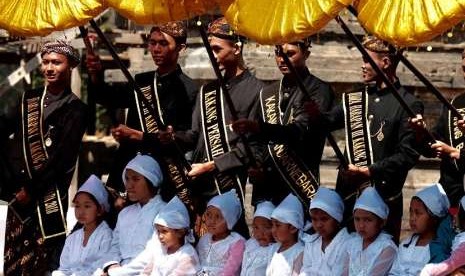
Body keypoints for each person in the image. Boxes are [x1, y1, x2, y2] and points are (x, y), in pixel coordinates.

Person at [321, 36, 424, 242]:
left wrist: (370, 171)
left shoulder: (408, 104)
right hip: (349, 200)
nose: (363, 65)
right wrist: (315, 116)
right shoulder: (355, 98)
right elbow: (327, 122)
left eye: (367, 60)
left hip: (383, 201)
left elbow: (407, 155)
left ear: (385, 63)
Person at [168, 17, 263, 237]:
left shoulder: (258, 91)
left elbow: (253, 150)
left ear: (237, 48)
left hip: (229, 186)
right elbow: (194, 136)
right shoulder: (207, 91)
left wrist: (211, 165)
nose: (212, 56)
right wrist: (174, 137)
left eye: (217, 49)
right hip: (200, 187)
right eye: (210, 49)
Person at [0, 40, 88, 275]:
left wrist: (31, 189)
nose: (49, 68)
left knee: (43, 261)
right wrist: (11, 184)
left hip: (44, 197)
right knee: (14, 262)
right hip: (16, 193)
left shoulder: (76, 109)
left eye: (56, 63)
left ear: (70, 66)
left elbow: (62, 159)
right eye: (46, 62)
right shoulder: (28, 98)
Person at [86, 21, 198, 201]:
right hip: (128, 167)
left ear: (181, 47)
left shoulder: (189, 89)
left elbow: (188, 137)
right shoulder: (141, 82)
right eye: (152, 43)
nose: (156, 49)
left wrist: (138, 136)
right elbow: (105, 96)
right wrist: (95, 73)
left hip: (163, 173)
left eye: (163, 43)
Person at [232, 39, 335, 206]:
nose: (282, 59)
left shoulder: (319, 89)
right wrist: (256, 162)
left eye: (290, 54)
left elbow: (301, 130)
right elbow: (256, 140)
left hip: (298, 183)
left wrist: (260, 128)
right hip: (266, 186)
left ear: (306, 54)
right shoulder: (267, 92)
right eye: (278, 53)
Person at [103, 155, 166, 274]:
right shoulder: (125, 214)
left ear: (151, 179)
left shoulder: (164, 212)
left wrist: (119, 272)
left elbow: (154, 253)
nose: (129, 185)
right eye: (127, 179)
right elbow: (114, 245)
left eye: (136, 179)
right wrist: (112, 265)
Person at [52, 175, 112, 276]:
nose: (81, 211)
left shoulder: (106, 236)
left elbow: (101, 268)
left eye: (87, 206)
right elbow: (64, 269)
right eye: (77, 206)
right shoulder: (72, 239)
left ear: (100, 209)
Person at [389, 183, 450, 275]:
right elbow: (394, 272)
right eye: (411, 212)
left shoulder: (438, 249)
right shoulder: (406, 244)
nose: (412, 218)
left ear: (434, 218)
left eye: (418, 213)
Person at [343, 187, 397, 275]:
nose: (361, 225)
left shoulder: (387, 248)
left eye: (367, 220)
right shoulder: (351, 243)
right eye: (357, 219)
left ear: (382, 222)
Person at [299, 187, 351, 276]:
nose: (319, 225)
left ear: (337, 219)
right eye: (314, 219)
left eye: (324, 219)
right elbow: (305, 271)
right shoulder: (311, 242)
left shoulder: (348, 244)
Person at [196, 189, 246, 276]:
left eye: (218, 217)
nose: (211, 221)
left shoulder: (237, 242)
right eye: (208, 215)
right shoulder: (204, 239)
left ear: (229, 221)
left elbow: (230, 271)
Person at [421, 195, 465, 276]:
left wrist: (428, 270)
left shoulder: (463, 244)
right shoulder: (447, 226)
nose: (455, 215)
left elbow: (449, 265)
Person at [266, 193, 305, 276]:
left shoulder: (299, 252)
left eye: (278, 225)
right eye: (272, 225)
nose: (273, 230)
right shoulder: (273, 248)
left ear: (293, 228)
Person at [241, 201, 275, 276]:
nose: (260, 233)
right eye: (256, 227)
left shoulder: (275, 250)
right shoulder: (250, 243)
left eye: (266, 227)